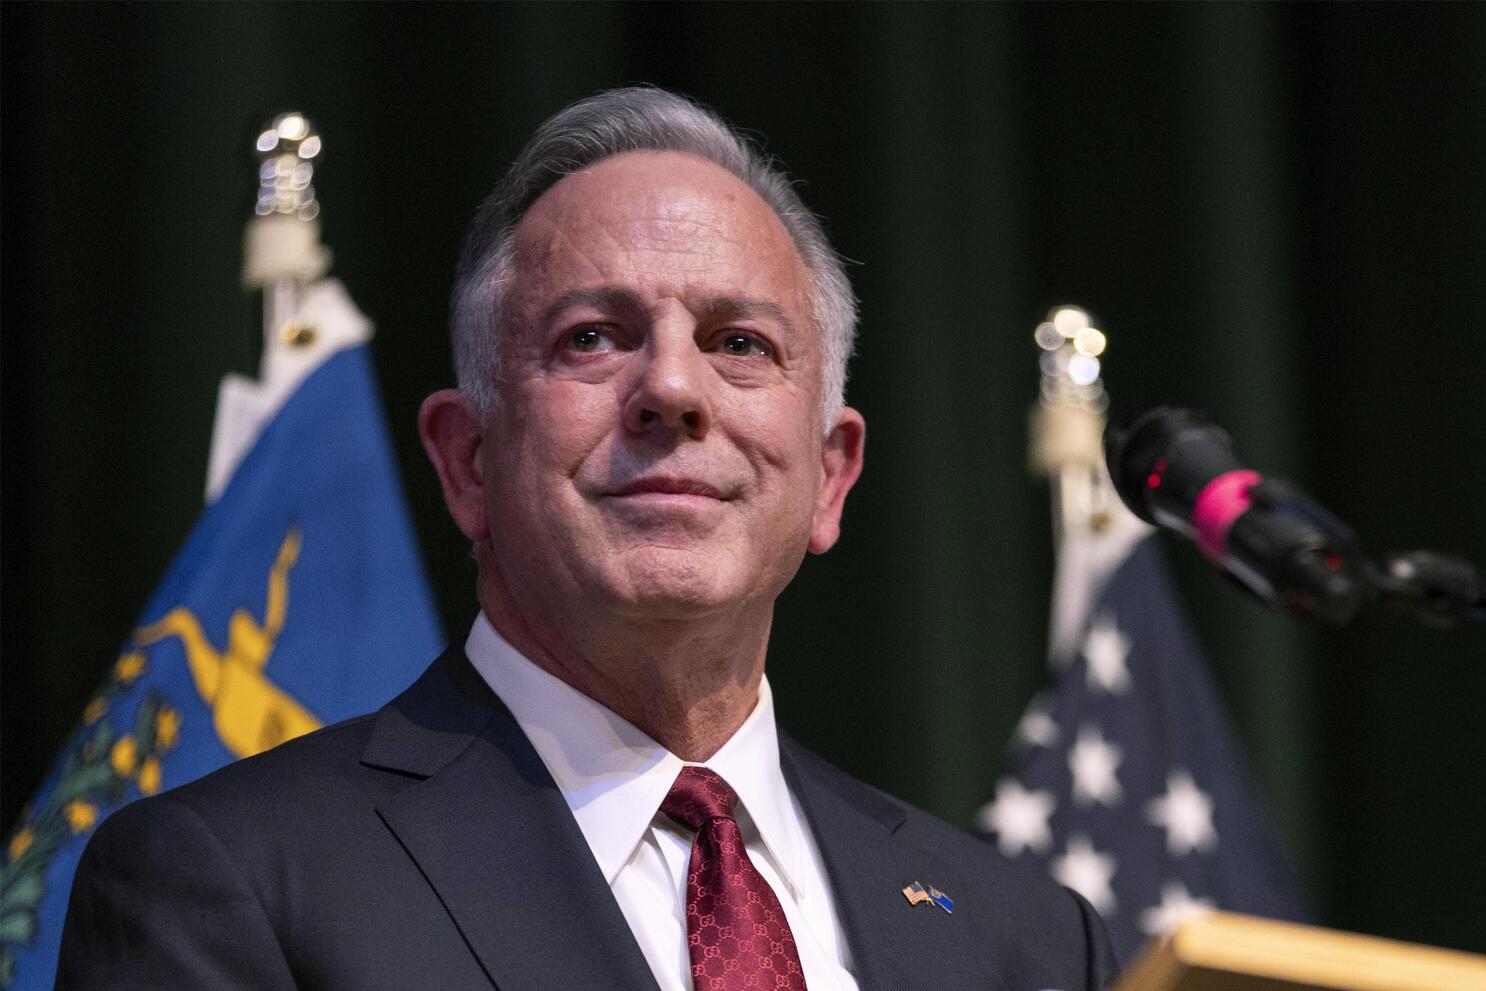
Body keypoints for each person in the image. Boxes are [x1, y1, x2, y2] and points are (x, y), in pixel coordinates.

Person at [57, 87, 1116, 990]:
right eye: (593, 338)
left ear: (831, 473)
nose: (670, 388)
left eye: (739, 343)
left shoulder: (1023, 941)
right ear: (466, 458)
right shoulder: (230, 879)